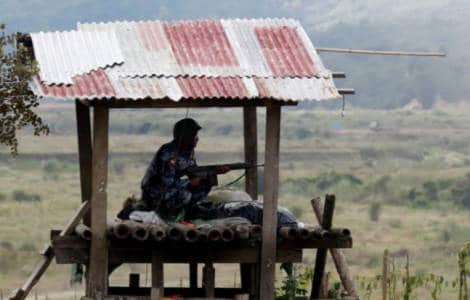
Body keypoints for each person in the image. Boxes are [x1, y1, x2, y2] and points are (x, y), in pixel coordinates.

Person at [140, 118, 229, 221]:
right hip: (156, 194)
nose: (197, 138)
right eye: (193, 135)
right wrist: (189, 183)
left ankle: (189, 210)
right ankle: (171, 214)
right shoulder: (169, 153)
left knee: (205, 182)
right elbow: (167, 182)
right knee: (185, 194)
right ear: (185, 136)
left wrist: (214, 172)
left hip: (171, 190)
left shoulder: (188, 152)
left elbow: (193, 171)